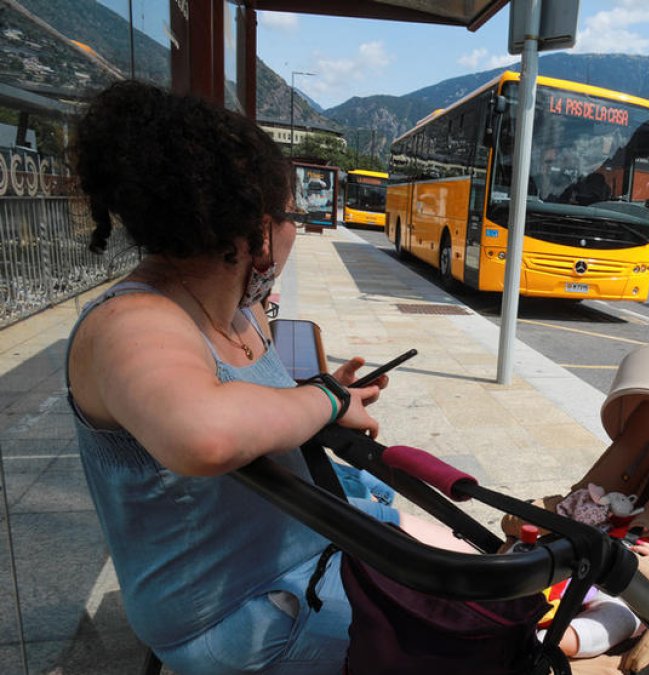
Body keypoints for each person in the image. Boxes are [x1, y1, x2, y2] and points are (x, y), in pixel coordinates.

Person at [68, 80, 469, 675]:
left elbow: (251, 406)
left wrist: (324, 394)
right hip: (244, 609)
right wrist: (325, 399)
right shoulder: (131, 323)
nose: (293, 232)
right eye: (291, 216)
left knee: (489, 589)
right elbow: (205, 433)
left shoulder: (239, 309)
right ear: (259, 231)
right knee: (473, 647)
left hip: (313, 538)